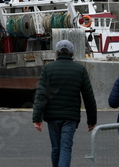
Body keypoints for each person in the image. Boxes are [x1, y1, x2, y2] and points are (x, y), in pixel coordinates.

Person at [32, 39, 97, 167]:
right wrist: (92, 120)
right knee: (66, 148)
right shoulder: (80, 70)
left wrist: (37, 118)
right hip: (70, 117)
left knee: (56, 148)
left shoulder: (47, 69)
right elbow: (88, 97)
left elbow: (41, 95)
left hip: (52, 116)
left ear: (56, 52)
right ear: (72, 53)